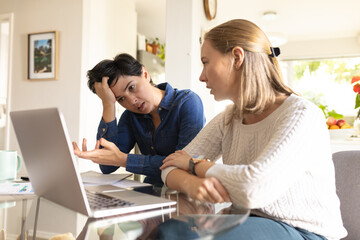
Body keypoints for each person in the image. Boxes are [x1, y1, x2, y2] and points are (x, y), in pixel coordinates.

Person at [160, 19, 347, 240]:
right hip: (247, 221)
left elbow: (254, 188)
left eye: (206, 62)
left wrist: (195, 165)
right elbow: (169, 167)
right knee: (169, 231)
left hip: (304, 231)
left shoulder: (302, 115)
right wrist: (192, 184)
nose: (202, 76)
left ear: (237, 58)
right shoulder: (228, 119)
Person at [73, 53, 205, 185]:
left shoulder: (187, 103)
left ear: (145, 74)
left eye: (131, 87)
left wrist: (123, 159)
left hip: (187, 193)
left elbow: (183, 166)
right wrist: (108, 104)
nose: (132, 101)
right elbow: (107, 167)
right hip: (152, 192)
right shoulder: (130, 117)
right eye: (121, 99)